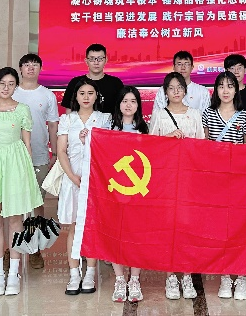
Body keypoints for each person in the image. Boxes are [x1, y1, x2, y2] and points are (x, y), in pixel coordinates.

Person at [0, 67, 43, 297]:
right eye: (2, 83)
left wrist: (25, 170)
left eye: (11, 83)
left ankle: (14, 274)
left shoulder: (22, 109)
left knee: (16, 221)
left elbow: (27, 143)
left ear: (16, 86)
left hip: (17, 165)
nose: (6, 87)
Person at [149, 71, 203, 300]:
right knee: (169, 227)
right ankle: (171, 275)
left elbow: (201, 147)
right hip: (167, 180)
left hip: (190, 180)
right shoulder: (159, 115)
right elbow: (151, 148)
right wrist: (168, 138)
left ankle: (187, 274)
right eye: (171, 88)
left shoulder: (195, 114)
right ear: (165, 92)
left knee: (188, 227)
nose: (176, 91)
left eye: (179, 87)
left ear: (185, 90)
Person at [58, 78, 112, 296]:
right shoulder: (67, 119)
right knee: (73, 226)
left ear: (96, 96)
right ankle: (74, 274)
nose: (86, 97)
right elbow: (61, 151)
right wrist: (72, 176)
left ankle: (90, 272)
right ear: (76, 96)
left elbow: (108, 150)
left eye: (91, 93)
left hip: (96, 180)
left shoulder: (104, 119)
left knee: (92, 226)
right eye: (82, 93)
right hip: (73, 179)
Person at [202, 71, 246, 300]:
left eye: (230, 86)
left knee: (239, 226)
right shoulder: (208, 114)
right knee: (220, 227)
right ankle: (224, 275)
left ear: (236, 89)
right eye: (221, 86)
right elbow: (205, 147)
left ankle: (241, 276)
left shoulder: (244, 116)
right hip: (215, 180)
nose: (225, 90)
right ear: (215, 90)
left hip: (238, 180)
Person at [12, 52, 59, 270]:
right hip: (13, 157)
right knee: (13, 205)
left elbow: (53, 125)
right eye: (27, 65)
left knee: (37, 204)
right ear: (20, 69)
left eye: (35, 64)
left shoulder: (47, 95)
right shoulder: (12, 92)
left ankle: (36, 249)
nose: (31, 68)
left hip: (39, 156)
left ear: (40, 69)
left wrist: (55, 153)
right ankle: (12, 247)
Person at [109, 86, 148, 303]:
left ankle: (134, 279)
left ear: (138, 105)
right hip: (114, 191)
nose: (128, 105)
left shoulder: (144, 129)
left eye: (133, 101)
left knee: (136, 235)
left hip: (137, 193)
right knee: (116, 235)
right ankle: (119, 279)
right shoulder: (109, 128)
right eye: (125, 101)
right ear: (119, 104)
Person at [61, 44, 124, 116]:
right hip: (81, 123)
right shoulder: (75, 82)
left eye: (100, 59)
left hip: (109, 123)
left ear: (106, 60)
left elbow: (122, 108)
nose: (96, 63)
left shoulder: (116, 83)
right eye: (92, 59)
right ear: (86, 61)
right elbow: (69, 109)